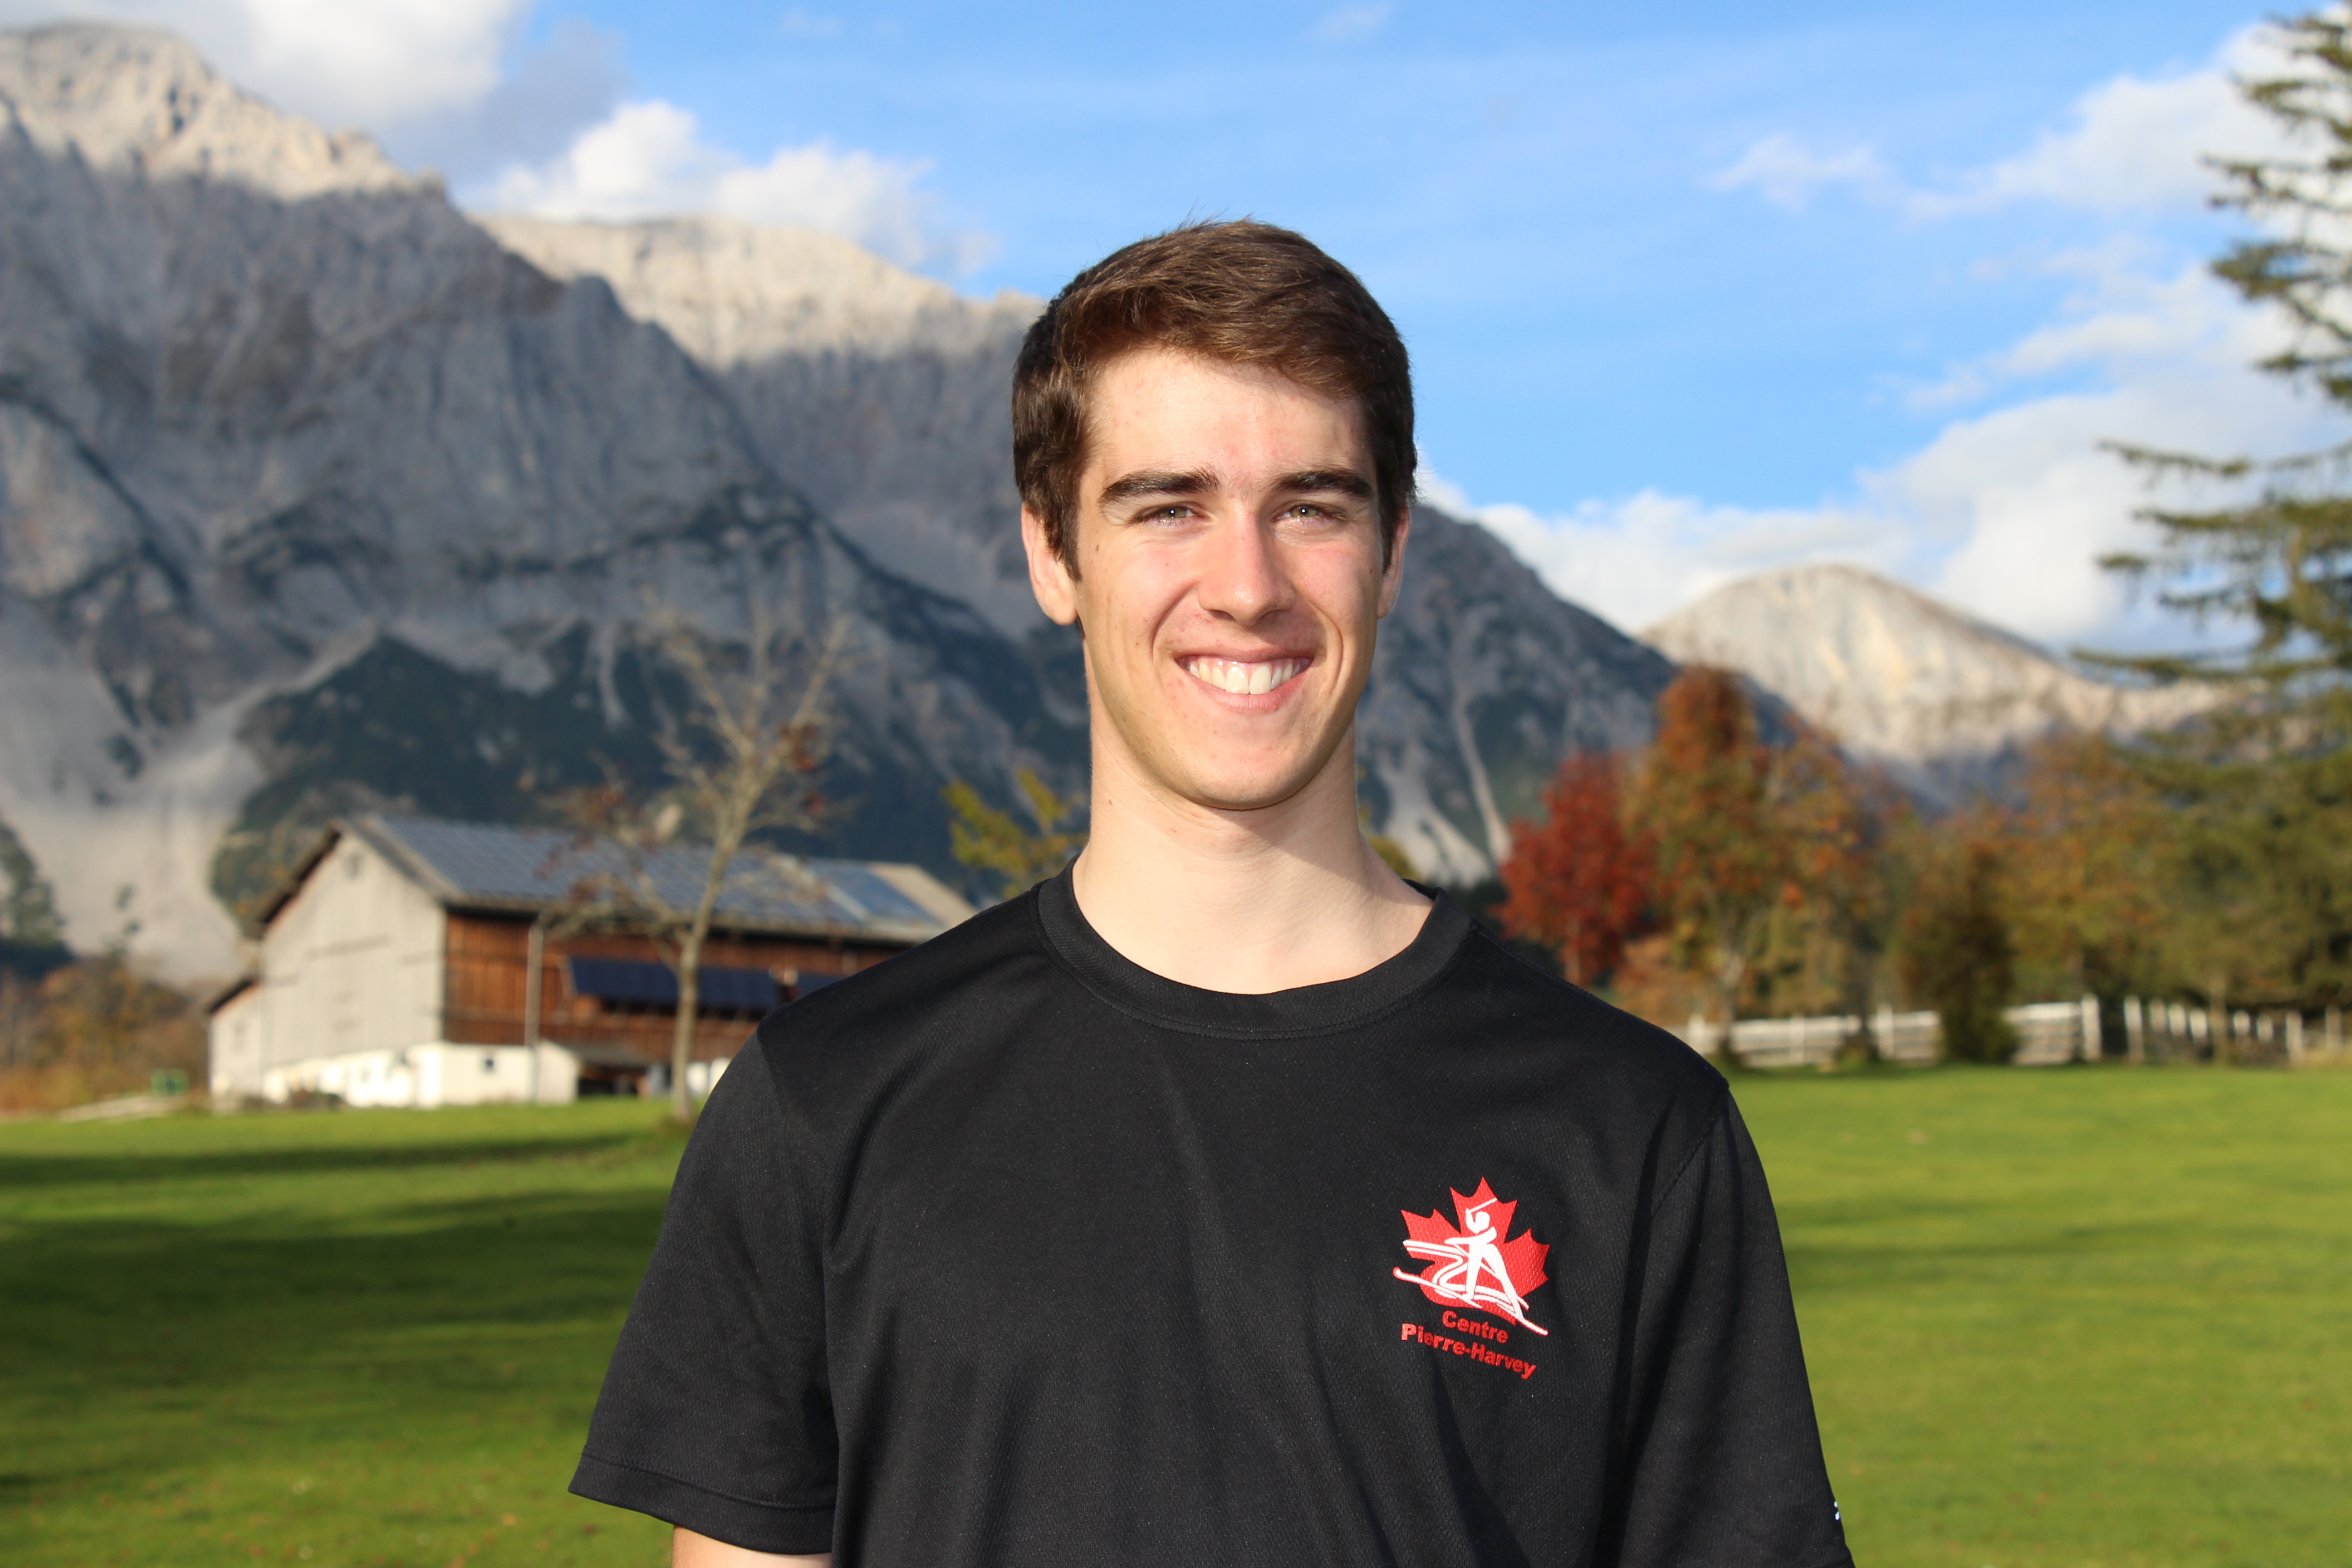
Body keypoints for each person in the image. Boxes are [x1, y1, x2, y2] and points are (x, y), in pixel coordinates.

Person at [570, 220, 1854, 1568]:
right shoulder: (824, 1101)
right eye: (1168, 506)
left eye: (1311, 506)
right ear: (1052, 554)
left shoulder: (1634, 1127)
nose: (1247, 587)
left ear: (1393, 549)